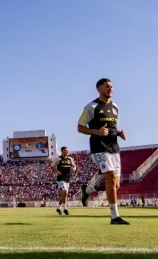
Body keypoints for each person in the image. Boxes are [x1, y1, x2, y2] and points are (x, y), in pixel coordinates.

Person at [78, 78, 129, 225]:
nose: (111, 89)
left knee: (115, 184)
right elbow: (80, 127)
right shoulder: (91, 107)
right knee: (111, 178)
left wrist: (120, 133)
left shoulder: (115, 107)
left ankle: (88, 190)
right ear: (99, 89)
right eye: (107, 86)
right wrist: (97, 132)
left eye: (112, 86)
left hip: (114, 147)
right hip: (99, 147)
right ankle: (115, 217)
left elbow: (113, 126)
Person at [50, 146, 76, 215]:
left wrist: (74, 169)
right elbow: (51, 166)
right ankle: (65, 208)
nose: (66, 151)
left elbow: (74, 166)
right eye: (65, 150)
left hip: (67, 178)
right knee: (64, 191)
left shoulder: (70, 159)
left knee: (64, 194)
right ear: (61, 151)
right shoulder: (58, 159)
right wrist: (56, 172)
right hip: (60, 178)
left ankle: (58, 208)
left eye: (67, 150)